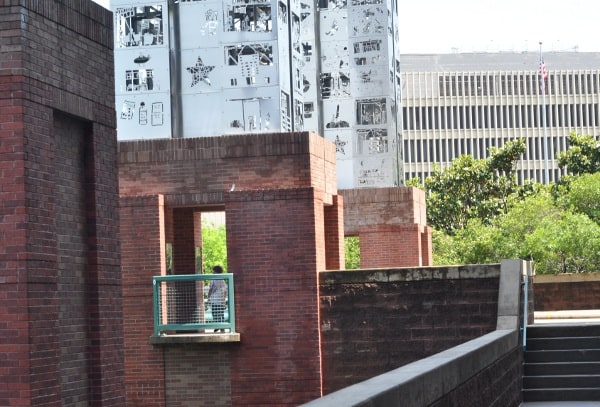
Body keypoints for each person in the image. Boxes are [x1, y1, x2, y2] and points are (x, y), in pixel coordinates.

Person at [208, 265, 227, 332]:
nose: (212, 272)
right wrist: (224, 299)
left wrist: (208, 297)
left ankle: (217, 325)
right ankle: (222, 327)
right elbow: (225, 291)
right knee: (220, 313)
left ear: (216, 271)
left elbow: (210, 289)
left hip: (214, 299)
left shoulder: (213, 279)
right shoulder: (222, 280)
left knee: (215, 313)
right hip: (220, 300)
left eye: (213, 271)